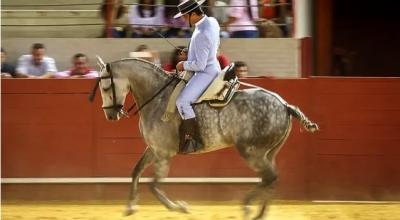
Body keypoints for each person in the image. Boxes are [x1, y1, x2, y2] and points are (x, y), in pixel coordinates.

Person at [174, 0, 221, 154]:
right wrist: (192, 52)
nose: (182, 19)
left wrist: (183, 65)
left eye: (184, 16)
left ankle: (194, 139)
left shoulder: (202, 34)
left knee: (182, 101)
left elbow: (200, 65)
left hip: (205, 72)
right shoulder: (212, 22)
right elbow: (214, 44)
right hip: (212, 65)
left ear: (193, 14)